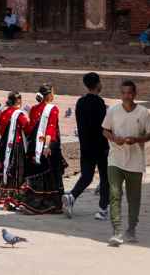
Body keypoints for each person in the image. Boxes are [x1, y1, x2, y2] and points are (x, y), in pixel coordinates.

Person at [102, 79, 150, 246]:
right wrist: (114, 138)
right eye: (124, 93)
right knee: (114, 193)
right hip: (115, 158)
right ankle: (117, 231)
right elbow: (105, 130)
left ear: (134, 94)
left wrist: (137, 139)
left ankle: (131, 229)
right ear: (121, 94)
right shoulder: (113, 111)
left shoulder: (143, 112)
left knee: (134, 198)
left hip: (135, 160)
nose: (126, 96)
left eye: (129, 93)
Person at [63, 72, 110, 220]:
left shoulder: (80, 102)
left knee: (87, 176)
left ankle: (72, 196)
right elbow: (104, 126)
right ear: (97, 85)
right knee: (105, 177)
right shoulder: (99, 103)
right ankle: (103, 209)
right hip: (100, 146)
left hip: (86, 146)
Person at [14, 84, 66, 214]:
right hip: (48, 145)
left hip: (34, 146)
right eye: (53, 92)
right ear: (49, 95)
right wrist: (47, 146)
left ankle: (32, 203)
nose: (54, 95)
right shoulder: (53, 109)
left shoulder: (34, 109)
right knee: (51, 175)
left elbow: (30, 129)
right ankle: (49, 205)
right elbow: (51, 128)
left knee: (38, 175)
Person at [0, 91, 31, 210]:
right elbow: (27, 128)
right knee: (17, 173)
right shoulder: (19, 114)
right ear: (18, 101)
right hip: (16, 147)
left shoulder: (3, 113)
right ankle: (18, 201)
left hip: (4, 146)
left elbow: (1, 131)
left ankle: (6, 202)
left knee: (6, 171)